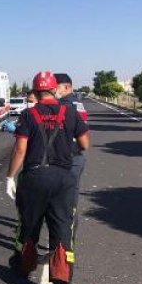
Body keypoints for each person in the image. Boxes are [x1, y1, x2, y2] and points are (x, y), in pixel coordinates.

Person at [5, 71, 89, 284]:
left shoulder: (28, 114)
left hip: (34, 176)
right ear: (54, 89)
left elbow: (20, 149)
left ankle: (23, 267)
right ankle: (61, 280)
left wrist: (10, 176)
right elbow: (84, 143)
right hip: (63, 177)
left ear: (35, 91)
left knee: (29, 224)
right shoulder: (70, 112)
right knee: (62, 226)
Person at [54, 73, 89, 250]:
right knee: (71, 201)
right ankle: (67, 241)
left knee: (63, 202)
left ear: (66, 87)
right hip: (76, 156)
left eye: (56, 87)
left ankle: (62, 245)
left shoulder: (64, 106)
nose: (54, 91)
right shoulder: (79, 104)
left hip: (66, 158)